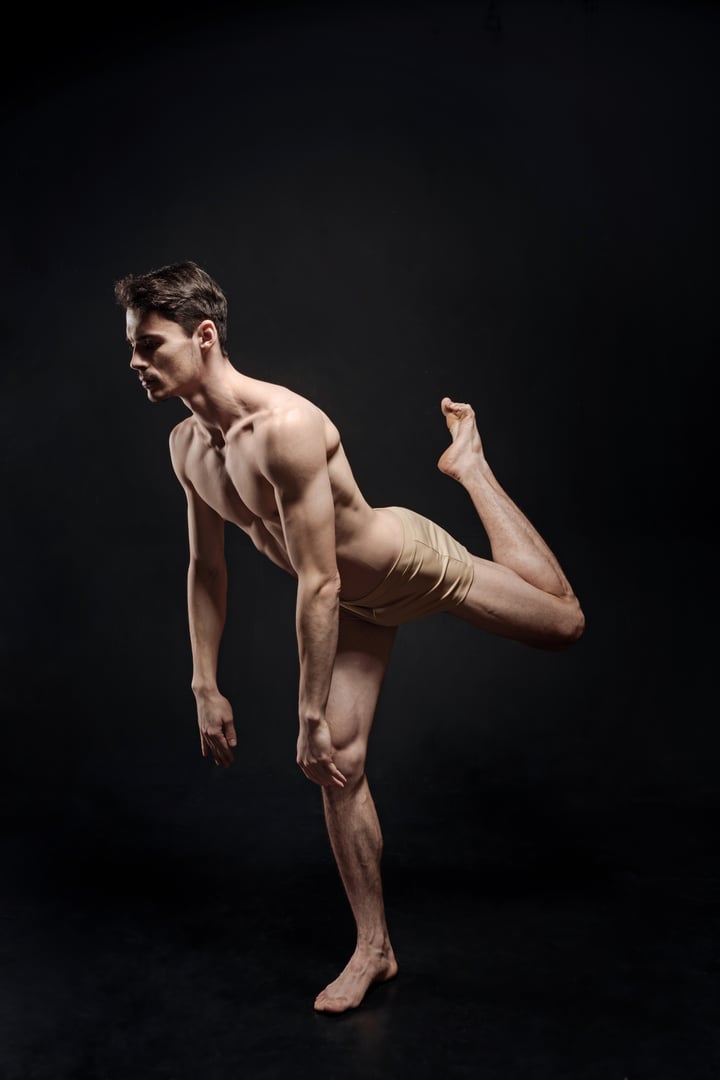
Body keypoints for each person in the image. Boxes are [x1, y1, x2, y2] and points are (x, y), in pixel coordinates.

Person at [114, 260, 585, 1014]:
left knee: (564, 625)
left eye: (150, 344)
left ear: (203, 336)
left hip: (405, 566)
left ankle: (471, 470)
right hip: (349, 606)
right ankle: (374, 948)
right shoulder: (187, 448)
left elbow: (319, 581)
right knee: (339, 764)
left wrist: (307, 716)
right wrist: (204, 683)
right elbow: (207, 568)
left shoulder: (286, 429)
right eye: (132, 347)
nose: (136, 361)